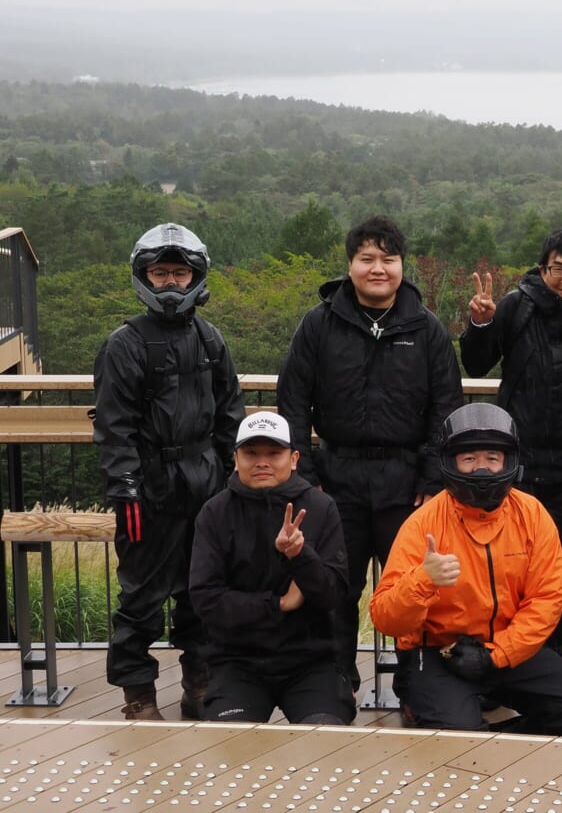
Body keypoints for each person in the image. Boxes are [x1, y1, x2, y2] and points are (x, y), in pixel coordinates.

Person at [277, 215, 464, 694]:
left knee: (412, 585)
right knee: (336, 586)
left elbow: (446, 405)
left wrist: (431, 478)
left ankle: (415, 683)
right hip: (335, 476)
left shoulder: (427, 328)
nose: (377, 268)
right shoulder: (319, 324)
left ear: (402, 265)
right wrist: (307, 471)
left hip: (407, 479)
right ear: (350, 265)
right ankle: (335, 680)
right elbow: (293, 400)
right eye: (367, 258)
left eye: (388, 258)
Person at [369, 403, 562, 735]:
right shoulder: (423, 524)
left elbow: (547, 600)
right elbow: (384, 617)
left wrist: (496, 655)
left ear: (508, 461)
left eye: (492, 459)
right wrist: (422, 580)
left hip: (507, 646)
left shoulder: (533, 515)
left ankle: (491, 742)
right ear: (451, 463)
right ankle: (430, 705)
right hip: (437, 651)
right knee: (458, 733)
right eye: (469, 459)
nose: (481, 470)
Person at [93, 222, 245, 720]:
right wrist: (127, 488)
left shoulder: (210, 338)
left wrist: (234, 480)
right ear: (144, 277)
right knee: (140, 597)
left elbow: (230, 415)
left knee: (203, 589)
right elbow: (114, 427)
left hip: (205, 479)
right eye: (160, 273)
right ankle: (137, 696)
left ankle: (200, 685)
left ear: (197, 277)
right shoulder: (126, 344)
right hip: (148, 487)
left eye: (181, 273)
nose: (171, 284)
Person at [460, 229, 562, 656]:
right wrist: (480, 323)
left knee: (559, 570)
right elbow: (477, 364)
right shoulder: (517, 307)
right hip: (516, 464)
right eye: (558, 268)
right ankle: (496, 659)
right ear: (542, 269)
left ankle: (550, 661)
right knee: (501, 565)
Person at [189, 412, 354, 725]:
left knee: (326, 738)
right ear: (235, 458)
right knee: (229, 740)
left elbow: (335, 595)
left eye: (273, 454)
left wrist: (300, 556)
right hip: (237, 661)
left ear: (293, 459)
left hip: (311, 659)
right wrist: (277, 604)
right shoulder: (214, 513)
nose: (261, 462)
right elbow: (206, 599)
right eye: (251, 453)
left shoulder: (321, 508)